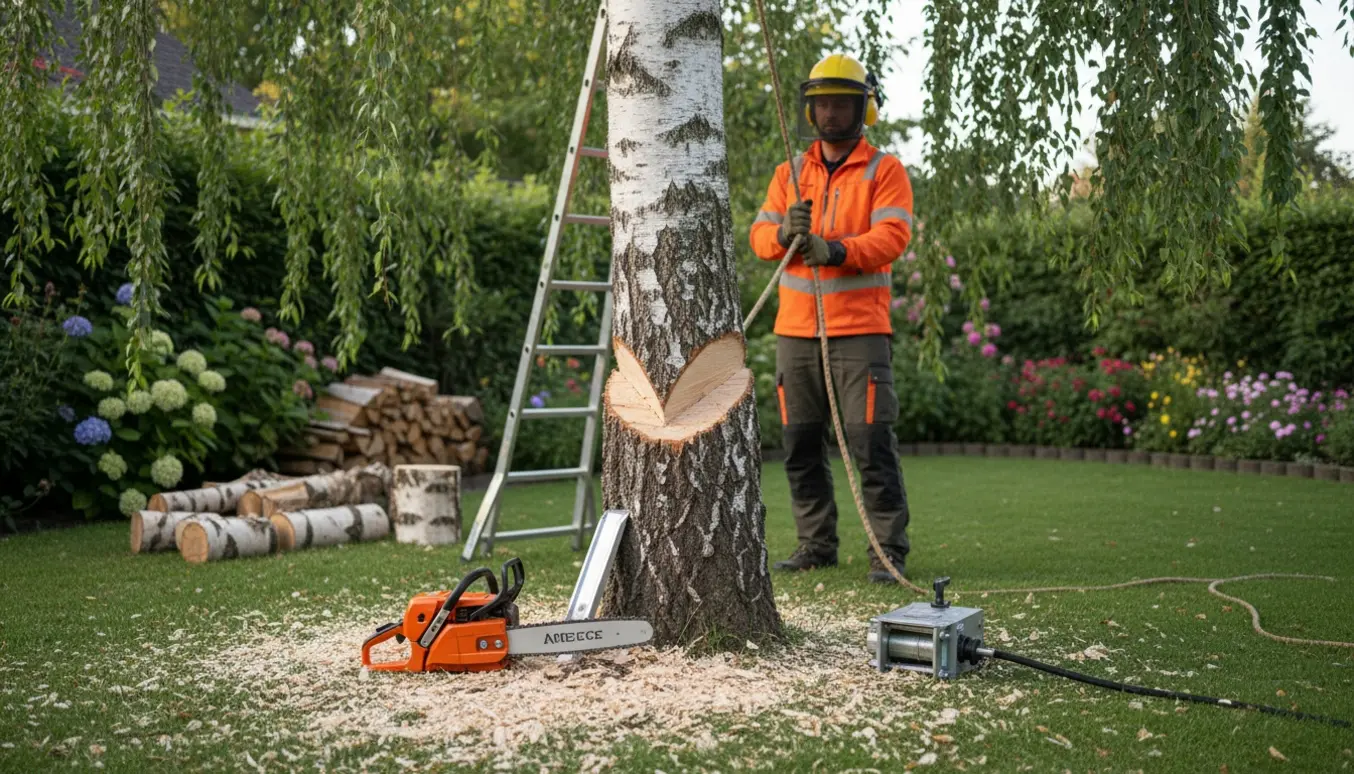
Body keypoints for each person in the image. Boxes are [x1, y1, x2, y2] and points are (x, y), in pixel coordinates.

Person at [748, 52, 915, 584]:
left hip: (860, 332)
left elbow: (893, 236)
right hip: (795, 333)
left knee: (870, 444)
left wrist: (835, 250)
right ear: (810, 110)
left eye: (842, 104)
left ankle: (887, 553)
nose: (831, 114)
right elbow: (758, 238)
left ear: (863, 109)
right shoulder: (789, 174)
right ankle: (815, 544)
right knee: (799, 444)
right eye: (822, 105)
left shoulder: (884, 170)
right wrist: (782, 235)